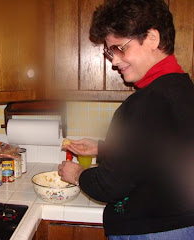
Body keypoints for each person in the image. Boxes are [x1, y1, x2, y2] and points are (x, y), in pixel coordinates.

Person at [58, 0, 194, 239]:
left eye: (120, 48)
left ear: (152, 38)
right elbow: (157, 154)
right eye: (110, 52)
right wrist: (103, 148)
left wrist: (76, 173)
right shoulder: (183, 88)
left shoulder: (144, 102)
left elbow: (109, 185)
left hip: (151, 231)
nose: (114, 61)